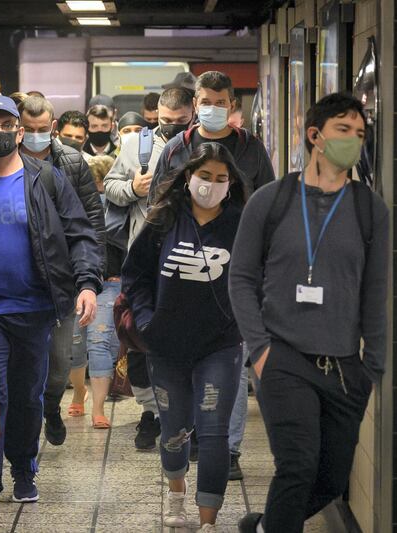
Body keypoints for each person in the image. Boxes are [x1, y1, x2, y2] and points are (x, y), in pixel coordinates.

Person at [231, 93, 389, 533]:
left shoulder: (368, 208)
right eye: (344, 130)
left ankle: (264, 526)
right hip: (283, 360)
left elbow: (375, 292)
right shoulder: (271, 200)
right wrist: (260, 350)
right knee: (297, 465)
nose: (354, 141)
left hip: (344, 369)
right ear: (315, 136)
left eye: (360, 134)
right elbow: (240, 278)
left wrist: (371, 368)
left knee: (331, 480)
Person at [0, 96, 101, 522]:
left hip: (37, 308)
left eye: (8, 124)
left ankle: (23, 468)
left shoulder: (47, 178)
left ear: (21, 132)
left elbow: (80, 234)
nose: (0, 131)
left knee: (27, 396)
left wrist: (88, 283)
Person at [152, 71, 275, 471]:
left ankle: (228, 447)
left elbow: (269, 207)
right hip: (183, 270)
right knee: (187, 359)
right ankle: (190, 433)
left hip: (236, 269)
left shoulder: (251, 150)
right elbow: (158, 204)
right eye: (206, 101)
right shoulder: (177, 148)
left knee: (232, 359)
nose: (213, 109)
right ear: (196, 103)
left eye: (221, 103)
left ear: (232, 106)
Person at [122, 143, 248, 532]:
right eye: (204, 176)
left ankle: (208, 521)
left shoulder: (241, 224)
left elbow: (257, 278)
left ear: (231, 184)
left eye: (220, 179)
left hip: (220, 345)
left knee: (214, 433)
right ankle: (177, 494)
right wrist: (146, 321)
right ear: (188, 177)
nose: (211, 184)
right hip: (167, 345)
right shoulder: (163, 220)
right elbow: (136, 277)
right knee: (174, 429)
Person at [103, 86, 195, 450]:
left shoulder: (201, 146)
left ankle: (181, 413)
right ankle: (149, 412)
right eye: (166, 121)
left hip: (187, 259)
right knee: (137, 337)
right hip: (143, 260)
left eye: (181, 122)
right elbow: (110, 186)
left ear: (193, 114)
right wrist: (132, 188)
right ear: (157, 113)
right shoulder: (135, 146)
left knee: (181, 340)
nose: (172, 128)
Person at [17, 94, 106, 445]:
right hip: (23, 279)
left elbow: (90, 222)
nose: (36, 135)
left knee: (58, 365)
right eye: (29, 128)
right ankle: (25, 426)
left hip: (63, 281)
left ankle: (51, 405)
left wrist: (91, 278)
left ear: (52, 128)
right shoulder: (7, 162)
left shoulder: (71, 162)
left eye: (43, 129)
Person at [84, 154, 123, 428]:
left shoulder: (119, 208)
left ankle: (97, 408)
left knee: (97, 343)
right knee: (81, 349)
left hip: (108, 281)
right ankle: (81, 396)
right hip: (92, 281)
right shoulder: (79, 205)